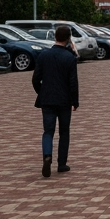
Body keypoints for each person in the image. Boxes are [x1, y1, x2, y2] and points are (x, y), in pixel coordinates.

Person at [32, 25, 80, 178]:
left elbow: (35, 79)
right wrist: (75, 101)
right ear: (68, 39)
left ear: (55, 37)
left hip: (47, 99)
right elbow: (73, 82)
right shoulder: (70, 58)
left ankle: (47, 156)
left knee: (48, 131)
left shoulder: (43, 55)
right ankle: (62, 164)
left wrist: (42, 92)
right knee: (64, 132)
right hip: (64, 100)